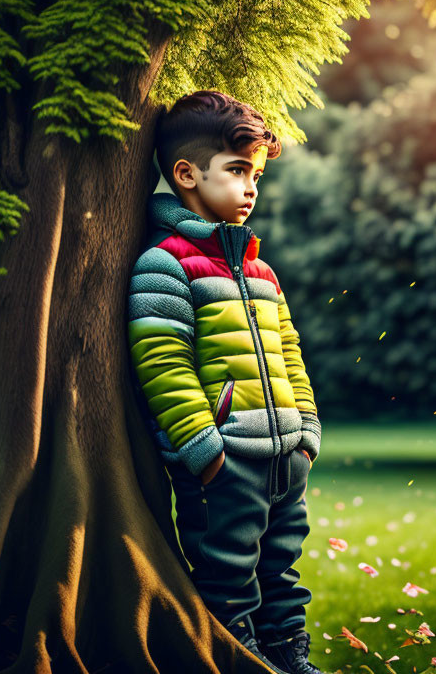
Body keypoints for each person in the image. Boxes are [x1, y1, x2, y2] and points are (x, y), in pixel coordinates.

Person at [128, 90, 323, 674]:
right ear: (186, 174)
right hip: (226, 460)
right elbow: (162, 359)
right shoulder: (165, 263)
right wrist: (203, 447)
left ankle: (289, 658)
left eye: (256, 174)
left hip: (285, 455)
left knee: (281, 571)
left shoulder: (261, 269)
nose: (251, 187)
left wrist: (307, 428)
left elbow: (290, 352)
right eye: (237, 171)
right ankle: (240, 663)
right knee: (229, 575)